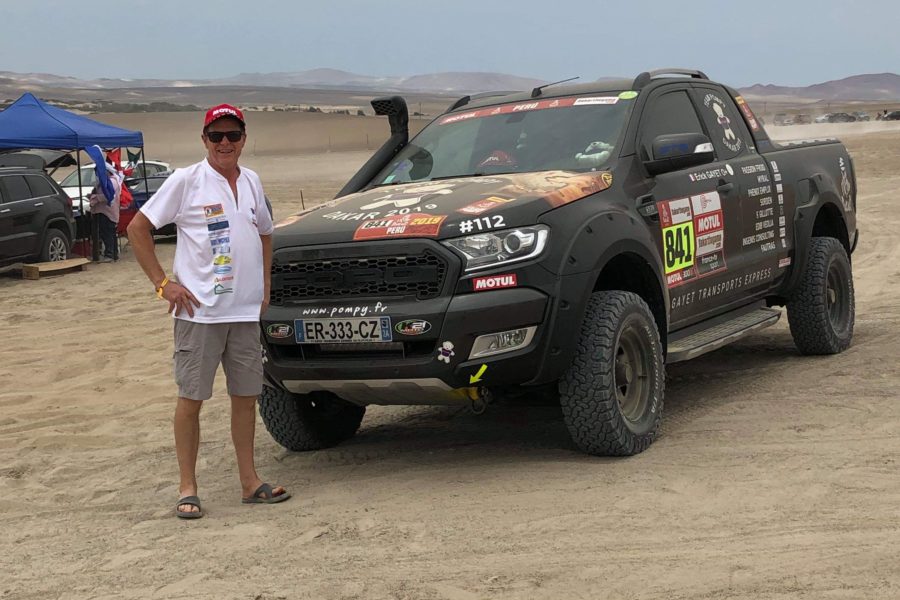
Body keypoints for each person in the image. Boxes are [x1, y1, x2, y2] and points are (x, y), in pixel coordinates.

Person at [126, 103, 289, 519]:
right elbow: (137, 228)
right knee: (192, 398)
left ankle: (250, 482)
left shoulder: (252, 181)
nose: (224, 143)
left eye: (233, 135)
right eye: (216, 136)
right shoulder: (186, 180)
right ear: (204, 140)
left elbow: (265, 234)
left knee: (246, 397)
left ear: (243, 139)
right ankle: (188, 487)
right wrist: (163, 284)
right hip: (200, 314)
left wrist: (265, 287)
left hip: (244, 313)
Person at [89, 161, 122, 262]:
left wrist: (95, 198)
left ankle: (110, 254)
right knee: (108, 233)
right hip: (102, 211)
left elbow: (108, 196)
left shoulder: (112, 182)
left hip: (108, 212)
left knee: (108, 233)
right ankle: (113, 254)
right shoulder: (103, 182)